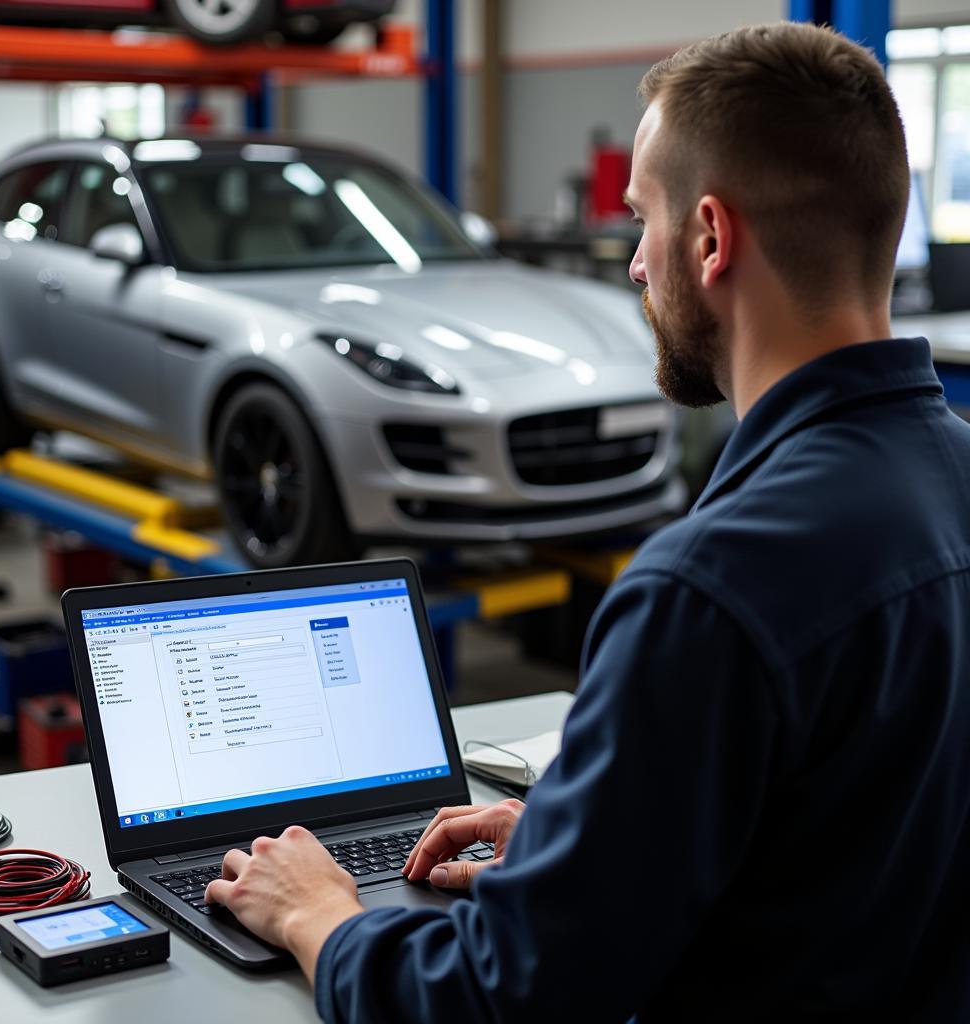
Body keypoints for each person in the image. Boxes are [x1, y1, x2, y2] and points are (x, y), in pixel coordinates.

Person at [205, 21, 970, 1021]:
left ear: (708, 236)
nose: (633, 266)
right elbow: (859, 839)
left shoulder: (704, 590)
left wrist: (321, 919)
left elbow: (497, 1000)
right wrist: (602, 843)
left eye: (640, 221)